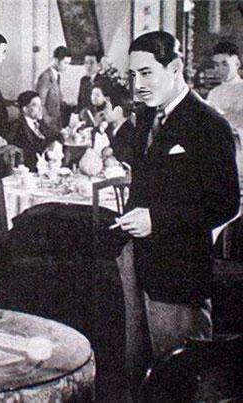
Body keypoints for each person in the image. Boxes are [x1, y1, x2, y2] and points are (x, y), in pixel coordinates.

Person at [117, 31, 239, 362]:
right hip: (137, 262)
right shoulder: (147, 116)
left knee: (180, 371)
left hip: (179, 273)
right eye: (133, 75)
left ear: (174, 68)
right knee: (139, 366)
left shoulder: (209, 124)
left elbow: (226, 203)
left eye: (146, 73)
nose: (138, 85)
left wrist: (156, 219)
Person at [206, 41, 243, 199]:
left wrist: (221, 115)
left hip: (239, 151)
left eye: (225, 64)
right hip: (217, 151)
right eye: (216, 65)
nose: (220, 69)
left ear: (237, 63)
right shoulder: (214, 93)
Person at [36, 46, 72, 139]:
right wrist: (49, 122)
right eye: (65, 63)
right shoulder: (46, 77)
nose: (67, 66)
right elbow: (40, 104)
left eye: (68, 63)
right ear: (56, 60)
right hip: (48, 126)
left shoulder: (57, 76)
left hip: (56, 124)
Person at [10, 90, 48, 170]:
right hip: (28, 171)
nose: (41, 109)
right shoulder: (17, 127)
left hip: (45, 167)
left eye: (41, 105)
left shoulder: (40, 123)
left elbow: (50, 137)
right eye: (36, 105)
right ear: (25, 109)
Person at [103, 92, 135, 165]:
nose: (104, 112)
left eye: (106, 108)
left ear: (118, 110)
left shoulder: (129, 133)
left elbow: (124, 160)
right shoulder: (111, 129)